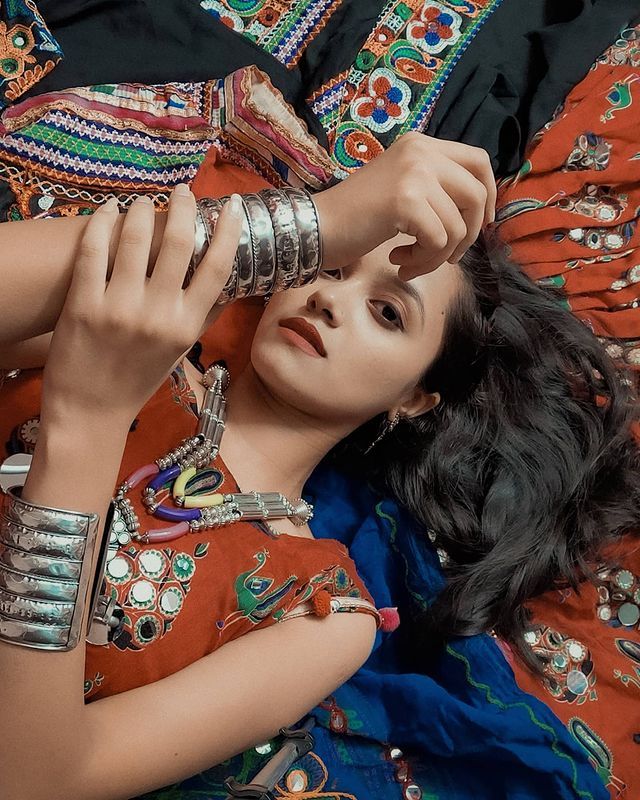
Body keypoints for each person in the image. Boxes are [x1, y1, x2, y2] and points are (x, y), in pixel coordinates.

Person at [0, 132, 637, 799]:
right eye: (332, 268)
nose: (332, 300)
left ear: (415, 398)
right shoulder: (147, 338)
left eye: (387, 312)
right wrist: (320, 223)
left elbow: (38, 781)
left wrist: (86, 428)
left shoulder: (323, 614)